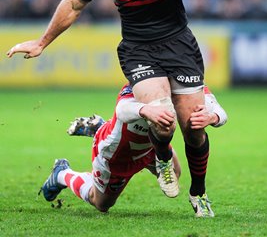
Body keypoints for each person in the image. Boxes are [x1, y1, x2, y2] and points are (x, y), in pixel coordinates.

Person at [7, 0, 212, 216]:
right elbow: (74, 4)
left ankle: (198, 193)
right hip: (138, 49)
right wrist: (41, 41)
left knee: (193, 127)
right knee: (162, 119)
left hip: (178, 43)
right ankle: (159, 158)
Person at [40, 84, 227, 216]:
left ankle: (101, 127)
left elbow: (217, 108)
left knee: (175, 174)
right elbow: (122, 108)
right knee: (101, 204)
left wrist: (213, 117)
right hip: (119, 153)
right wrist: (145, 110)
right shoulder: (144, 82)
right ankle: (62, 173)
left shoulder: (183, 80)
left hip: (151, 145)